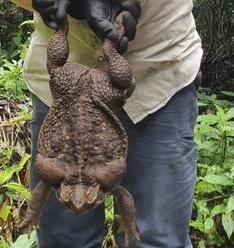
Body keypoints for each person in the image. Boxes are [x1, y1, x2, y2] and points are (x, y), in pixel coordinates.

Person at [12, 0, 203, 247]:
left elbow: (117, 186)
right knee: (62, 240)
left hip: (157, 70)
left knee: (157, 239)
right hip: (64, 88)